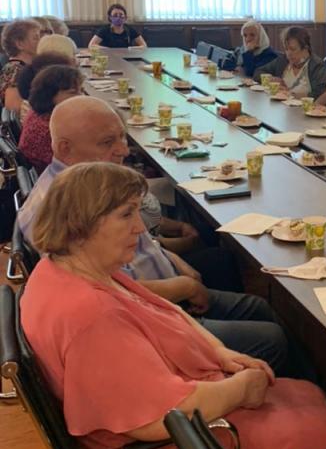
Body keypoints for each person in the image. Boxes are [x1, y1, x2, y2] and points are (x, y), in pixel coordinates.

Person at [20, 162, 326, 449]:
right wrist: (240, 388)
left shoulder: (69, 269)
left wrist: (221, 353)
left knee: (306, 396)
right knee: (322, 433)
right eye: (126, 215)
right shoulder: (90, 316)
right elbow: (160, 419)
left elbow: (166, 310)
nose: (140, 227)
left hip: (169, 432)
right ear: (82, 224)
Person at [18, 97, 305, 376]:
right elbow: (116, 293)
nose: (123, 150)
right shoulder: (59, 210)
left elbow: (126, 250)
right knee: (271, 338)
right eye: (107, 142)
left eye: (122, 137)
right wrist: (184, 288)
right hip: (150, 319)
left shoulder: (79, 184)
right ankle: (279, 389)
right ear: (65, 148)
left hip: (159, 294)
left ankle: (293, 385)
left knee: (235, 276)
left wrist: (172, 258)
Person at [18, 64, 83, 172]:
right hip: (59, 177)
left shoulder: (38, 113)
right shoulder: (48, 130)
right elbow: (76, 165)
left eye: (81, 91)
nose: (81, 96)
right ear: (50, 95)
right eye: (73, 92)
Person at [256, 26, 326, 99]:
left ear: (305, 48)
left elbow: (320, 94)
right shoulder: (283, 60)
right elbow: (258, 72)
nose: (288, 53)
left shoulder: (317, 66)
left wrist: (290, 94)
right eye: (286, 49)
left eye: (293, 49)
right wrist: (271, 79)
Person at [0, 18, 41, 111]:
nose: (41, 41)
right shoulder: (14, 69)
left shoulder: (25, 67)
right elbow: (14, 111)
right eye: (36, 38)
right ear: (20, 44)